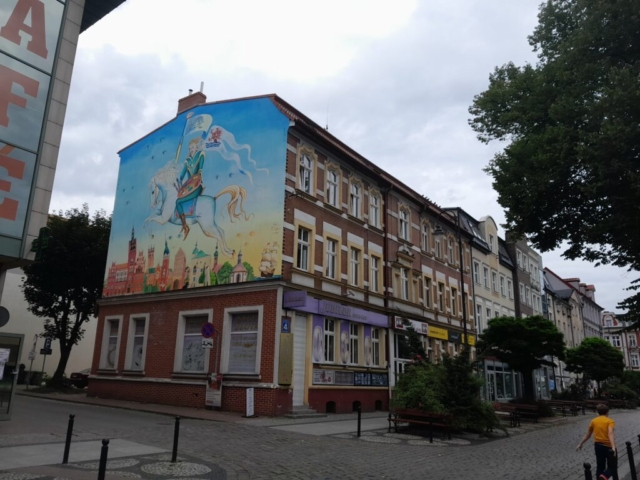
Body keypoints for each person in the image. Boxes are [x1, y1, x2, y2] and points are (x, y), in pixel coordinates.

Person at [576, 404, 616, 480]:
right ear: (607, 412)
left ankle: (599, 477)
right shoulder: (610, 421)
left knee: (600, 466)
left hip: (598, 446)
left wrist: (580, 443)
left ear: (597, 412)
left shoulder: (593, 421)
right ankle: (604, 476)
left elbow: (588, 435)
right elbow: (610, 432)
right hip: (609, 446)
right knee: (612, 466)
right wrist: (613, 447)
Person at [175, 138, 205, 239]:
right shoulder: (187, 161)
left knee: (178, 202)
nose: (191, 149)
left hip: (196, 187)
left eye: (192, 147)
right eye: (189, 148)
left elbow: (200, 170)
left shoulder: (200, 155)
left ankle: (185, 226)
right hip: (188, 189)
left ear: (196, 147)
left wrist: (199, 173)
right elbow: (183, 174)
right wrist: (179, 179)